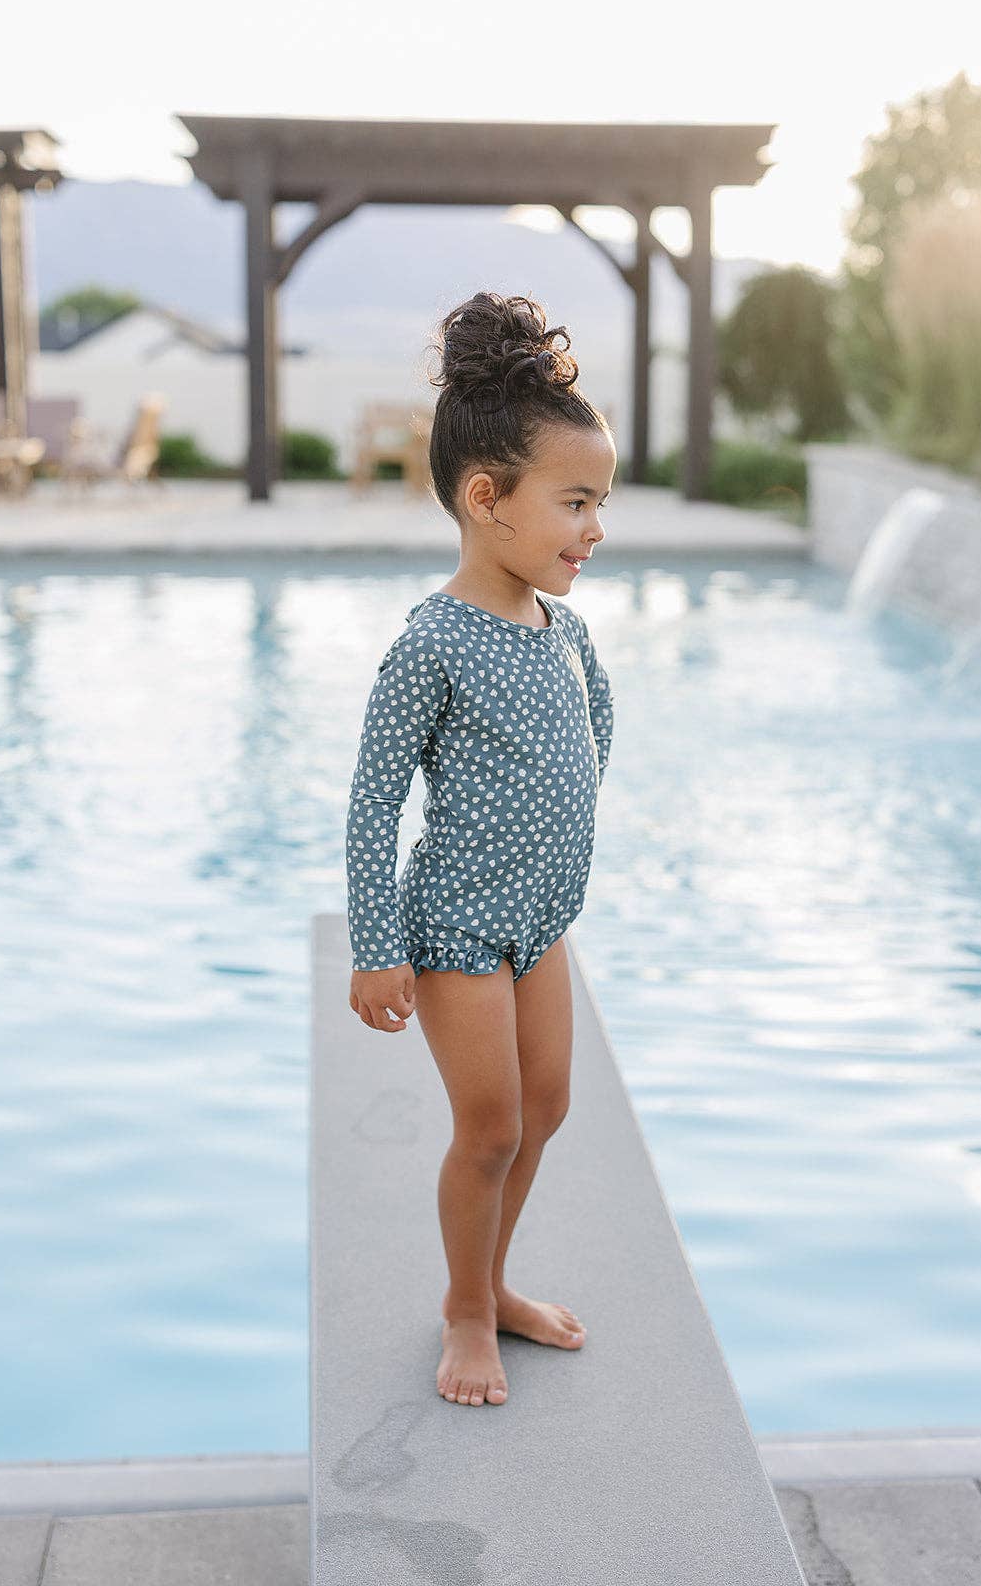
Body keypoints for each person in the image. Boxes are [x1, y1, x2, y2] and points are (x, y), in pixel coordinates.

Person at [345, 290, 615, 1408]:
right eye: (577, 502)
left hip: (537, 920)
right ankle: (463, 1307)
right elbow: (371, 803)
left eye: (600, 502)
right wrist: (377, 947)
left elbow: (593, 734)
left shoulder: (567, 630)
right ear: (484, 497)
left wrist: (561, 852)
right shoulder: (431, 644)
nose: (594, 529)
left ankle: (495, 1282)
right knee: (491, 1124)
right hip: (455, 925)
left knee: (545, 1106)